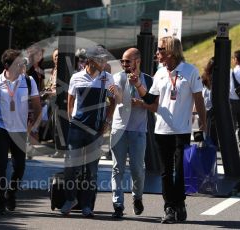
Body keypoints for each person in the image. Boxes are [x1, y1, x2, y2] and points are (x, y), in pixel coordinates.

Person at [129, 36, 206, 224]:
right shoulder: (160, 73)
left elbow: (199, 99)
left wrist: (203, 124)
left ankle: (179, 203)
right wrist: (138, 85)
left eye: (161, 49)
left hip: (181, 130)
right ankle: (169, 207)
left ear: (171, 52)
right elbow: (151, 100)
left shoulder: (190, 71)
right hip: (162, 129)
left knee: (180, 171)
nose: (157, 53)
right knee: (165, 171)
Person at [0, 49, 41, 215]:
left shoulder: (28, 81)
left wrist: (34, 128)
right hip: (1, 127)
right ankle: (0, 201)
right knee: (0, 165)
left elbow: (37, 105)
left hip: (20, 129)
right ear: (7, 65)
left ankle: (11, 192)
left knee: (20, 167)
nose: (22, 66)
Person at [60, 45, 116, 217]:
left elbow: (113, 101)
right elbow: (70, 101)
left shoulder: (107, 78)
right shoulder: (76, 77)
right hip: (76, 128)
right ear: (91, 61)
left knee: (91, 171)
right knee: (71, 168)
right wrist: (72, 120)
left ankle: (87, 205)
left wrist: (107, 121)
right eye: (101, 59)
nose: (104, 62)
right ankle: (70, 199)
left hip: (96, 130)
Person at [109, 48, 156, 218]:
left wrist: (141, 104)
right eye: (122, 61)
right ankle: (118, 204)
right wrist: (115, 95)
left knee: (137, 169)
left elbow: (155, 106)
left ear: (138, 61)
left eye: (127, 61)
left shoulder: (149, 81)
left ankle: (137, 197)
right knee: (117, 169)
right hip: (119, 129)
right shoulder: (118, 77)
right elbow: (115, 100)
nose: (124, 64)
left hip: (138, 131)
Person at [200, 57, 218, 146]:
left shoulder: (204, 78)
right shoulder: (204, 77)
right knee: (207, 139)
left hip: (209, 110)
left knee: (207, 140)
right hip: (208, 111)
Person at [230, 50, 240, 143]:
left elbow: (228, 88)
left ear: (236, 59)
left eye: (233, 58)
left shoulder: (232, 72)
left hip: (233, 101)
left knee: (232, 125)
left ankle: (231, 145)